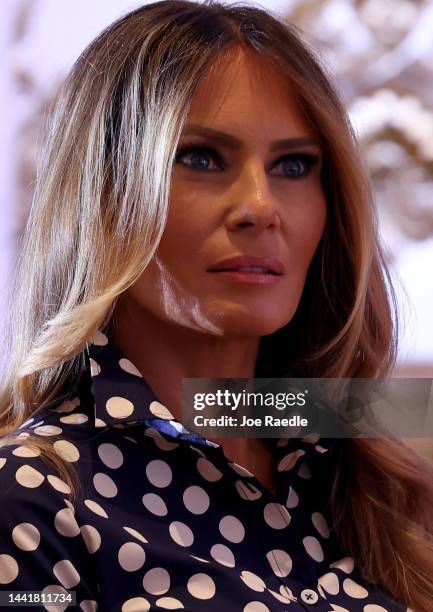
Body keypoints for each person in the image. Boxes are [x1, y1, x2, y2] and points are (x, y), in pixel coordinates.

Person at [0, 1, 432, 610]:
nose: (260, 206)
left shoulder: (368, 476)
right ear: (102, 191)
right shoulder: (35, 497)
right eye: (201, 157)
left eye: (293, 165)